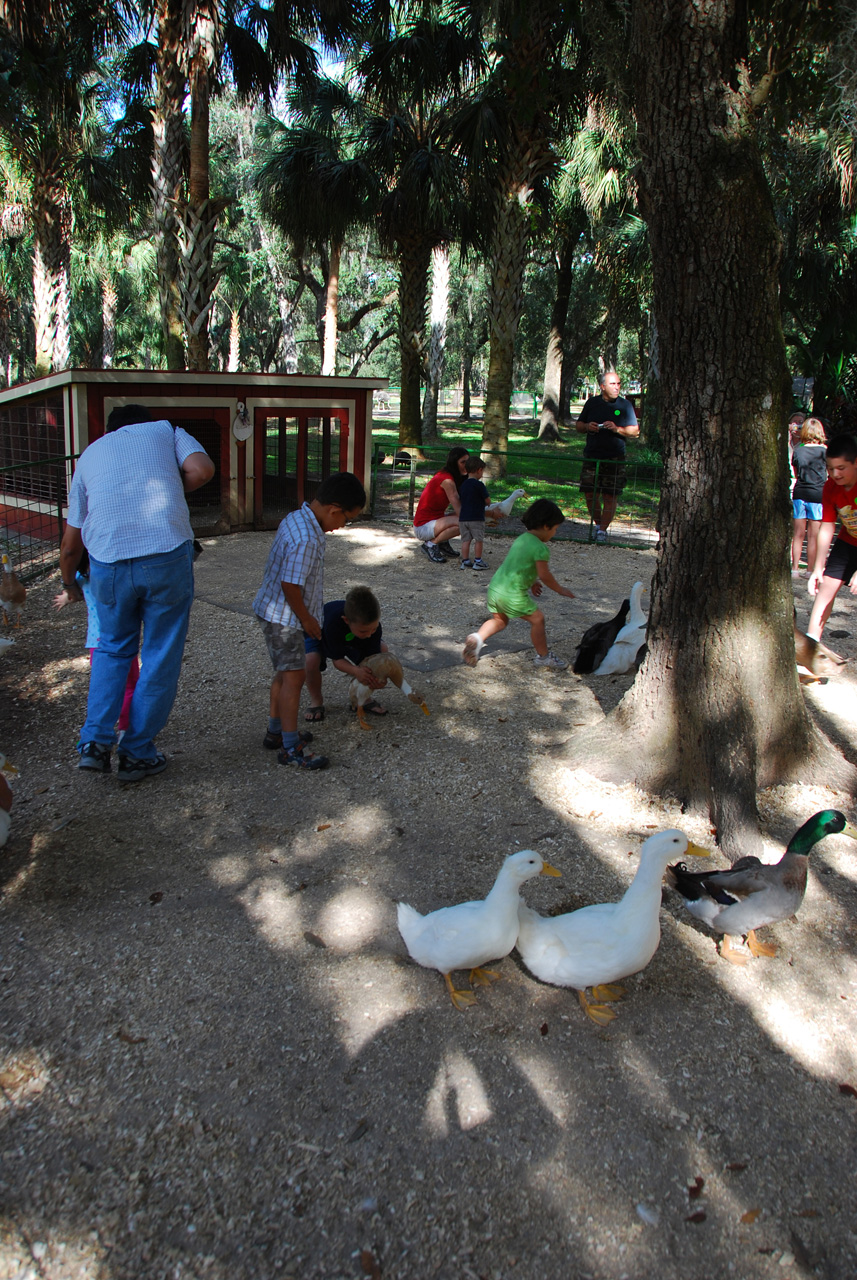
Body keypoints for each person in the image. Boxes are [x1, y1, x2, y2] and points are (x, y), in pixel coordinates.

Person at [60, 404, 214, 782]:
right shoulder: (166, 430)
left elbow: (70, 544)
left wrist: (69, 584)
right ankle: (136, 752)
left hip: (107, 563)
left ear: (111, 430)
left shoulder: (89, 455)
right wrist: (169, 484)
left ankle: (95, 743)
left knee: (112, 649)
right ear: (144, 423)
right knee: (160, 654)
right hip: (165, 556)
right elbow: (202, 470)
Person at [253, 471, 367, 771]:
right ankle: (290, 748)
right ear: (334, 509)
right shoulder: (307, 539)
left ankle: (275, 731)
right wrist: (307, 621)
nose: (343, 525)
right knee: (294, 678)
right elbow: (290, 585)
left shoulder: (298, 518)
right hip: (286, 617)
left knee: (283, 674)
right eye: (347, 519)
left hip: (273, 611)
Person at [462, 498, 575, 670]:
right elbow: (545, 574)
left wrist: (532, 582)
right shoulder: (541, 548)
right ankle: (543, 657)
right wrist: (560, 589)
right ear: (546, 526)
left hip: (495, 588)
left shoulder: (522, 539)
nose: (554, 533)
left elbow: (520, 565)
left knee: (499, 620)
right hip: (511, 594)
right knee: (538, 619)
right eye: (555, 529)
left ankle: (477, 639)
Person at [53, 548, 139, 739]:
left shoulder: (81, 576)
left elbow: (73, 593)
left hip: (96, 642)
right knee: (129, 686)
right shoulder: (116, 573)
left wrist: (66, 598)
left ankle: (98, 734)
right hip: (121, 638)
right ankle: (126, 728)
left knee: (105, 686)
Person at [302, 585, 390, 722]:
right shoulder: (333, 624)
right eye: (364, 631)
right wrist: (356, 671)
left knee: (383, 650)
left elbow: (371, 660)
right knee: (310, 660)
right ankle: (316, 701)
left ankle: (362, 698)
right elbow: (337, 659)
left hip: (352, 636)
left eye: (373, 629)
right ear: (346, 620)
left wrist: (379, 677)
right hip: (320, 633)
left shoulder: (371, 629)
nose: (368, 635)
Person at [574, 371, 640, 543]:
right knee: (589, 494)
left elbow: (635, 431)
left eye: (618, 383)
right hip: (592, 456)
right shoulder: (592, 403)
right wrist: (588, 426)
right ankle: (598, 525)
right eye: (612, 384)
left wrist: (617, 429)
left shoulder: (625, 405)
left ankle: (602, 531)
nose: (617, 387)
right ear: (602, 386)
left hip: (615, 458)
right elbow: (579, 425)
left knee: (610, 495)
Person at [807, 434, 857, 640]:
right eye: (830, 468)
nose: (835, 474)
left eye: (841, 468)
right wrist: (818, 567)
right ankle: (811, 646)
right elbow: (827, 527)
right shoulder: (830, 487)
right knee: (826, 586)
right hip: (848, 541)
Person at [413, 446, 469, 563]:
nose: (466, 465)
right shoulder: (447, 480)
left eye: (468, 462)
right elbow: (459, 509)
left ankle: (442, 542)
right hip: (423, 526)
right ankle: (431, 544)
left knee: (465, 519)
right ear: (454, 463)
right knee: (464, 522)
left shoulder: (449, 476)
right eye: (463, 462)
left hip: (435, 520)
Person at [791, 417, 827, 578]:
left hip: (800, 493)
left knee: (798, 534)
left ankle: (795, 568)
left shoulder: (798, 450)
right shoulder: (825, 452)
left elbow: (796, 473)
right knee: (813, 535)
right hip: (818, 495)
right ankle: (810, 569)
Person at [458, 455, 490, 570]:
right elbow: (487, 500)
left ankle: (465, 560)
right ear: (479, 470)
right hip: (476, 517)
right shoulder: (479, 485)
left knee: (465, 540)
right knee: (478, 539)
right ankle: (478, 560)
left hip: (463, 518)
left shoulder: (463, 485)